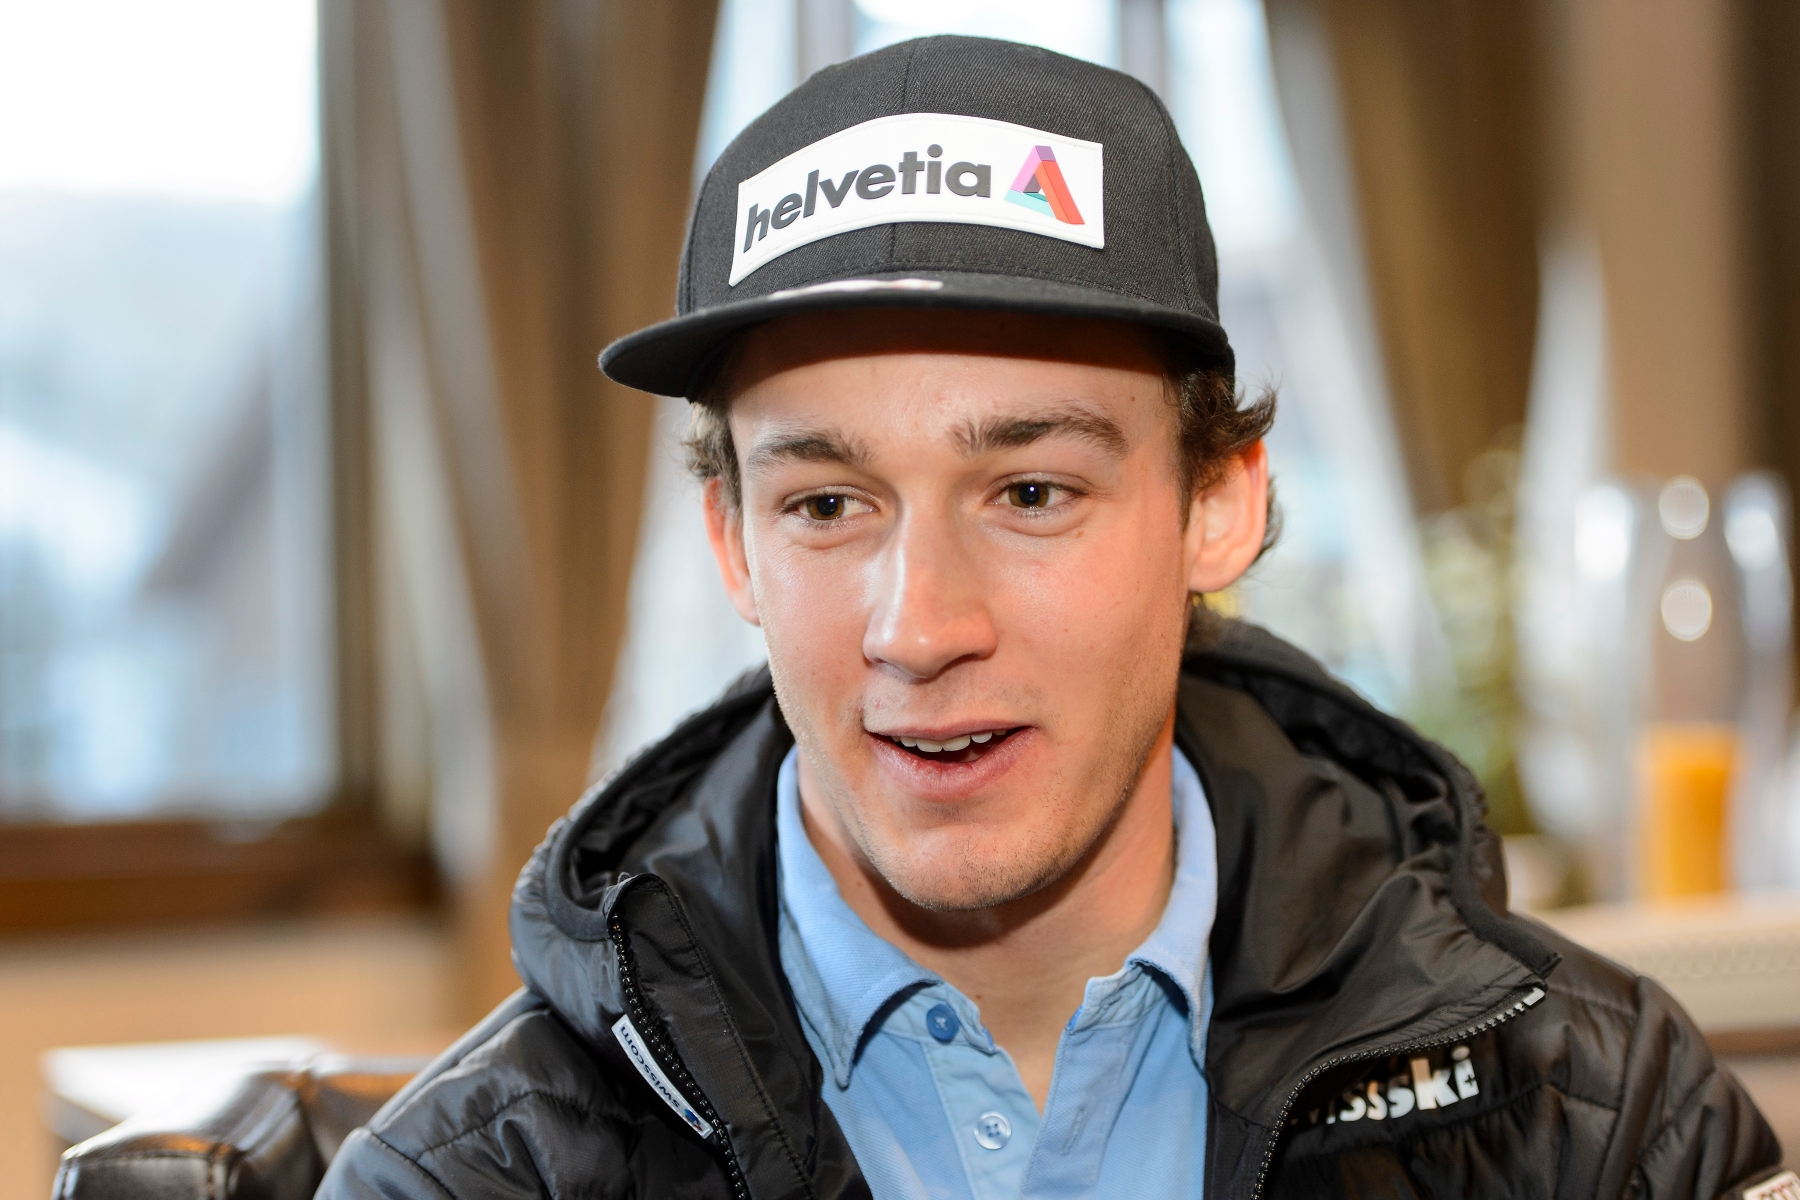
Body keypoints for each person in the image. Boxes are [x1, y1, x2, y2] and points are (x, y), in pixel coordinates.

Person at [322, 35, 1784, 1200]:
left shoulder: (1599, 1120)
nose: (919, 626)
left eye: (1029, 492)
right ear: (732, 544)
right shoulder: (479, 1173)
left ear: (1219, 504)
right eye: (828, 505)